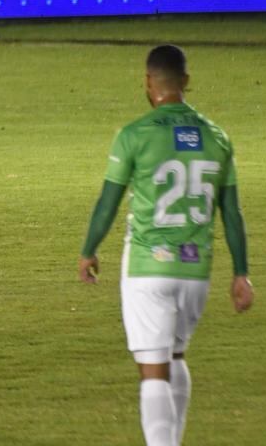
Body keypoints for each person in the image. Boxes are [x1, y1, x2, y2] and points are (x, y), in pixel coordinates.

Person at [77, 45, 253, 446]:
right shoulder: (217, 137)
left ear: (147, 81)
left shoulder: (134, 135)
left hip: (147, 267)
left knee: (153, 370)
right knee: (176, 356)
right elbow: (232, 212)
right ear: (185, 81)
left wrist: (89, 250)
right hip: (196, 272)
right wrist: (241, 273)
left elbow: (108, 202)